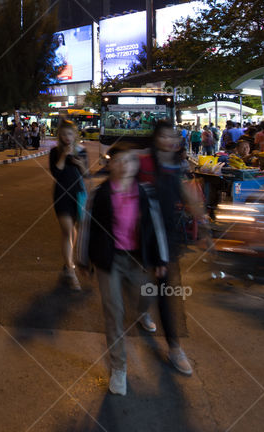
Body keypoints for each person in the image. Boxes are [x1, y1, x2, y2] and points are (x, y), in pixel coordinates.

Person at [76, 141, 169, 395]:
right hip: (110, 260)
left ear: (136, 164)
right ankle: (119, 368)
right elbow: (86, 227)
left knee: (144, 297)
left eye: (128, 160)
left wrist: (161, 259)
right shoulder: (100, 194)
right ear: (110, 165)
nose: (123, 165)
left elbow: (157, 227)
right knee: (113, 311)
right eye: (117, 161)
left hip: (139, 259)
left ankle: (142, 313)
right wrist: (82, 258)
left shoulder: (146, 193)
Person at [136, 120, 204, 376]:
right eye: (163, 136)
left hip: (169, 237)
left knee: (165, 289)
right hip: (145, 234)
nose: (169, 140)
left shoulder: (177, 165)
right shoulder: (143, 162)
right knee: (150, 280)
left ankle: (174, 347)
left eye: (172, 136)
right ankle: (144, 312)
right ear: (155, 139)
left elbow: (187, 195)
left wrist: (201, 219)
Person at [49, 121, 87, 292]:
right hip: (61, 195)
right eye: (63, 134)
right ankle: (71, 271)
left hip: (77, 195)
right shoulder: (54, 152)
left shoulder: (81, 151)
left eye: (69, 134)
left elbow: (86, 173)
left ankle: (68, 263)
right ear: (60, 136)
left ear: (74, 136)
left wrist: (80, 164)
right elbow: (56, 173)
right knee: (67, 230)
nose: (67, 137)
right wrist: (64, 156)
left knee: (74, 232)